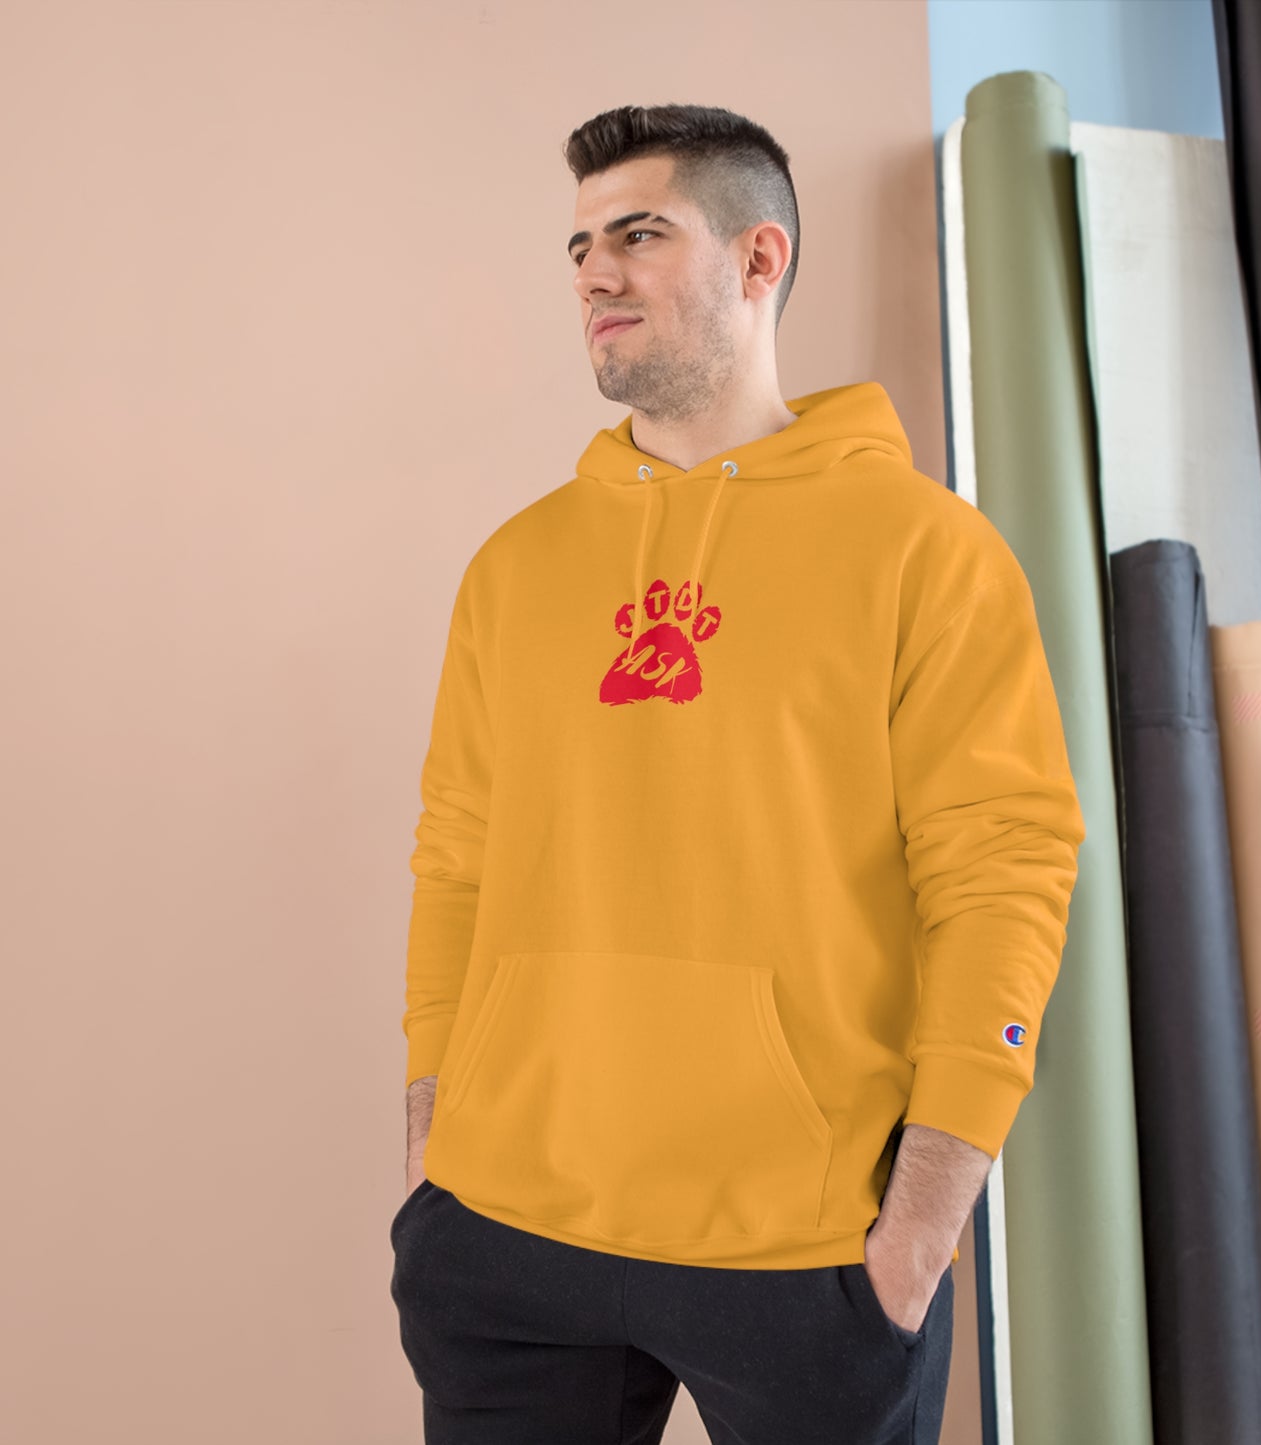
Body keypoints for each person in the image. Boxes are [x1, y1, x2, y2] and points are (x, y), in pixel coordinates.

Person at [388, 102, 1085, 1445]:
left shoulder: (925, 552)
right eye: (580, 246)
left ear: (759, 258)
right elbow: (456, 851)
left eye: (639, 235)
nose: (594, 274)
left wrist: (922, 1223)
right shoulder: (516, 567)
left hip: (804, 1247)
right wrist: (432, 1141)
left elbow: (1001, 873)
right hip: (504, 1229)